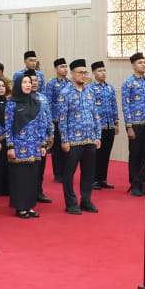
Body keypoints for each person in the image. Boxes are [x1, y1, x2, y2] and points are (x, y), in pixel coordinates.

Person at [55, 60, 101, 215]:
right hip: (73, 140)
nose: (83, 75)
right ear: (72, 73)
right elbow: (62, 118)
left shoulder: (89, 92)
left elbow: (95, 115)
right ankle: (71, 202)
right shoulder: (65, 93)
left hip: (90, 139)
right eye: (80, 72)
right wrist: (64, 140)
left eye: (85, 72)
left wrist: (97, 136)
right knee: (69, 173)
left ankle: (86, 200)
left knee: (88, 172)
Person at [4, 72, 51, 218]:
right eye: (24, 83)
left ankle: (30, 206)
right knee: (20, 178)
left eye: (29, 83)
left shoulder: (36, 102)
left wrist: (43, 144)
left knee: (32, 178)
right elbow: (8, 126)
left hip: (34, 146)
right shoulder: (12, 104)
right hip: (18, 147)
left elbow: (41, 124)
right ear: (18, 85)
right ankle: (21, 207)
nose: (28, 85)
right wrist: (10, 146)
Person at [121, 52, 145, 197]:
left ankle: (144, 184)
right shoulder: (128, 83)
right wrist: (129, 126)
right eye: (140, 62)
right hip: (135, 124)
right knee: (135, 154)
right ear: (133, 65)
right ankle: (134, 184)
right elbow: (126, 105)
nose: (144, 64)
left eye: (144, 62)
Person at [89, 62, 119, 190]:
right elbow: (90, 108)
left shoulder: (110, 88)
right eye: (100, 70)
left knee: (106, 153)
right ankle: (93, 179)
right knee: (96, 154)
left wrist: (116, 122)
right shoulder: (90, 88)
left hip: (109, 126)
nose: (103, 73)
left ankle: (102, 179)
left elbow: (114, 105)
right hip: (97, 127)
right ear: (94, 73)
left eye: (104, 70)